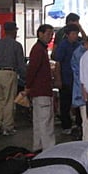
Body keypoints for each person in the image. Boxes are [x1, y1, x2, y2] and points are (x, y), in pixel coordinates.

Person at [0, 21, 26, 136]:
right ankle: (7, 127)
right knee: (9, 101)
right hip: (9, 73)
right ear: (14, 31)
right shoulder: (16, 45)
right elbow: (20, 64)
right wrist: (25, 77)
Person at [25, 24, 56, 152]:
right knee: (45, 122)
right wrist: (28, 86)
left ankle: (37, 147)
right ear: (40, 34)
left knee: (38, 121)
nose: (50, 37)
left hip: (38, 91)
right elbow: (32, 70)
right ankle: (49, 150)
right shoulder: (38, 50)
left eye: (52, 34)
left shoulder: (39, 49)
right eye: (48, 34)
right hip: (42, 90)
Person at [51, 24, 81, 136]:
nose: (75, 36)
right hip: (65, 78)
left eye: (76, 34)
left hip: (76, 79)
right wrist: (58, 79)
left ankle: (79, 124)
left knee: (78, 103)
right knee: (65, 103)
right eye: (73, 34)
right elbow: (58, 63)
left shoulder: (78, 45)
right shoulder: (63, 46)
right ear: (67, 35)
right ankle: (66, 125)